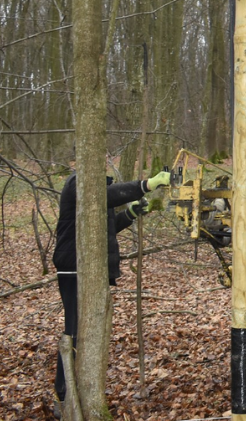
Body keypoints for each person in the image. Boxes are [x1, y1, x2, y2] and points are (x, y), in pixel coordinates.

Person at [52, 170, 171, 413]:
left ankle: (79, 390)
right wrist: (145, 185)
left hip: (89, 268)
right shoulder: (79, 183)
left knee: (88, 331)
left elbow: (102, 230)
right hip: (74, 267)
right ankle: (64, 397)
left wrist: (129, 214)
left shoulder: (95, 190)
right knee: (74, 330)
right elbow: (103, 197)